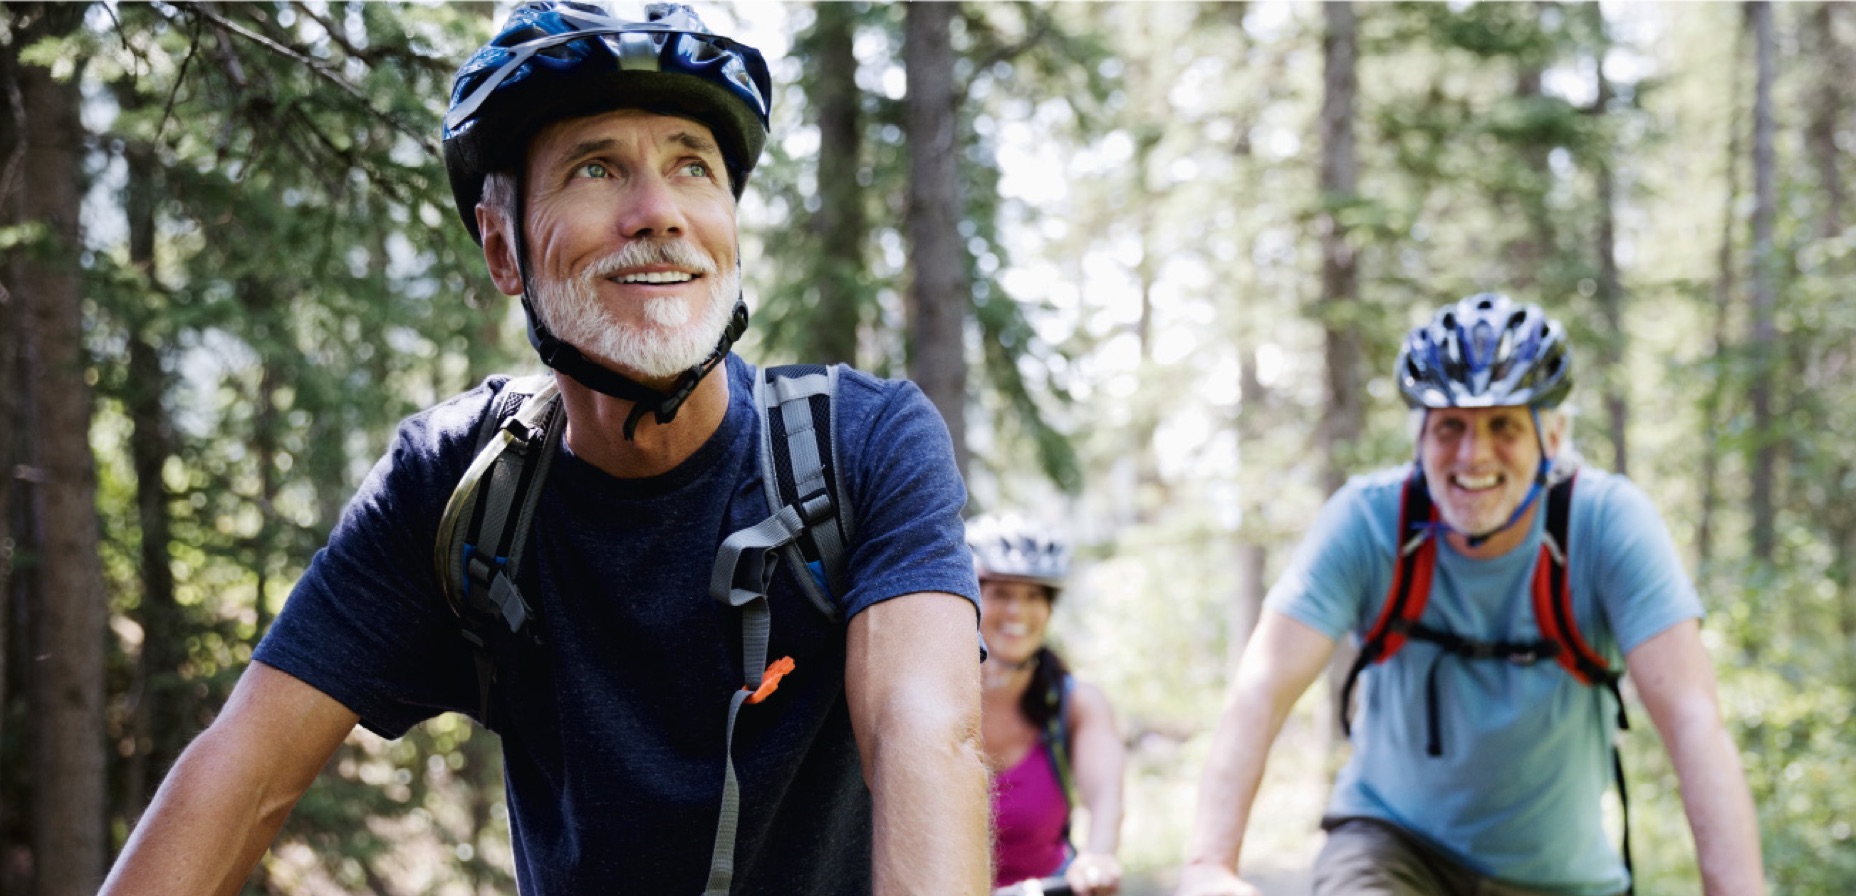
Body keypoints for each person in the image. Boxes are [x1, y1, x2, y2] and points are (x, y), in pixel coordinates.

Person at [101, 3, 989, 894]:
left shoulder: (863, 446)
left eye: (692, 165)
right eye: (597, 168)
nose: (659, 213)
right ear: (503, 249)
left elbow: (927, 737)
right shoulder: (456, 485)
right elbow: (242, 775)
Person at [1177, 295, 1765, 896]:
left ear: (1553, 438)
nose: (1472, 454)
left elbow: (1693, 719)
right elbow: (1261, 689)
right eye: (1450, 426)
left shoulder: (1607, 524)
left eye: (1503, 425)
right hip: (1392, 843)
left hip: (1560, 879)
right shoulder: (1369, 520)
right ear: (1419, 439)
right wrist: (1209, 868)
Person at [970, 514, 1126, 896]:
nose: (1016, 612)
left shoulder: (1075, 704)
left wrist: (1098, 856)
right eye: (1001, 593)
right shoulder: (929, 697)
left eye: (1034, 595)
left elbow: (1106, 798)